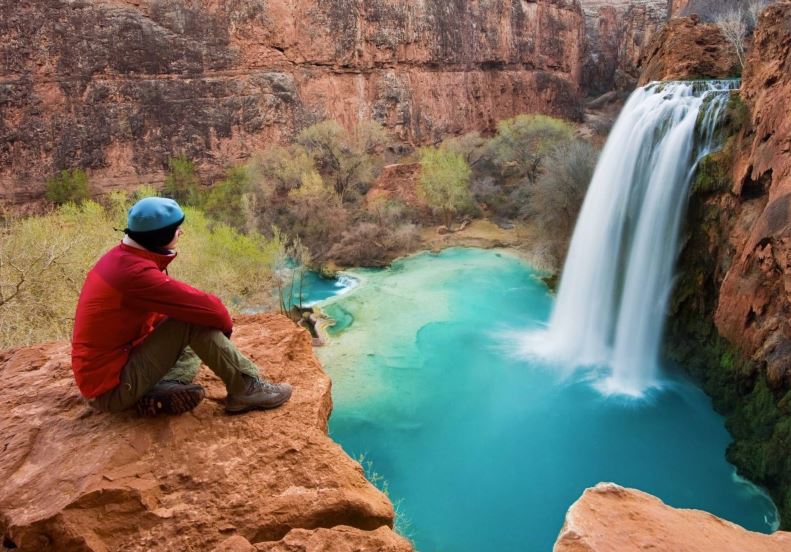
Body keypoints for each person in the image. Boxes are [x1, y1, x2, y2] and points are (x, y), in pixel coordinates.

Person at [71, 196, 292, 416]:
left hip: (112, 371)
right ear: (159, 236)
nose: (181, 232)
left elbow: (160, 314)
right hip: (111, 388)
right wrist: (222, 331)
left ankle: (161, 389)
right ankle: (246, 388)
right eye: (177, 229)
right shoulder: (134, 273)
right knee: (192, 321)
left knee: (189, 327)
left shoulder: (122, 258)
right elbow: (211, 310)